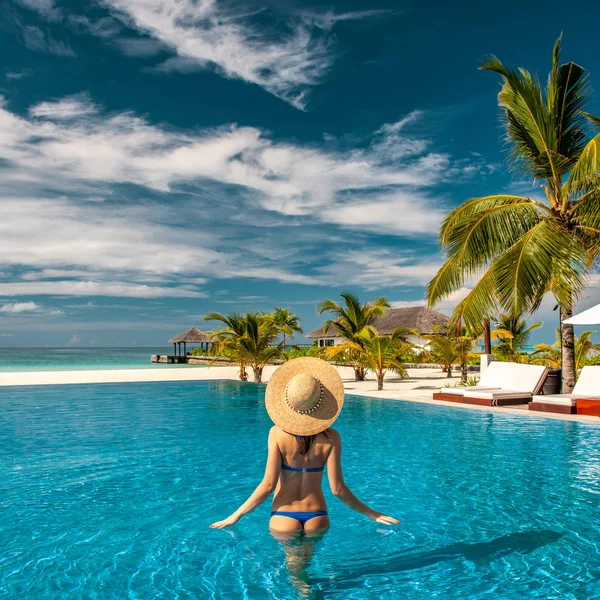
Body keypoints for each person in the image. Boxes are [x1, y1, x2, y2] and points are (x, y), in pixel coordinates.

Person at [210, 357, 399, 533]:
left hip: (283, 516)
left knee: (295, 569)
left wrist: (237, 514)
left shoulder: (276, 434)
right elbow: (337, 489)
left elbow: (268, 485)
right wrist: (372, 513)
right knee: (309, 568)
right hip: (317, 516)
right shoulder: (332, 438)